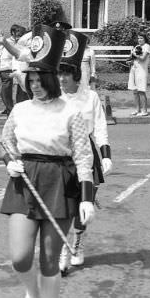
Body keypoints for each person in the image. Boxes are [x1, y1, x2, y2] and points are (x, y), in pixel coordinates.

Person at [0, 24, 95, 298]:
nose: (35, 85)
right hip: (24, 180)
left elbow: (83, 156)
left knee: (50, 259)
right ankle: (32, 294)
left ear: (52, 79)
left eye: (41, 80)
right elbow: (6, 143)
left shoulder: (71, 111)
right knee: (20, 257)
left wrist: (85, 197)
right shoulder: (20, 109)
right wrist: (10, 163)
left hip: (59, 183)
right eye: (31, 79)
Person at [56, 30, 112, 274]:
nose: (61, 79)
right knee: (61, 206)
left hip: (87, 153)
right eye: (59, 73)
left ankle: (77, 242)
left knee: (83, 205)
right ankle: (63, 249)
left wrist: (106, 154)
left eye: (66, 74)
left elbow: (99, 126)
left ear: (76, 75)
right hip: (61, 153)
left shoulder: (90, 97)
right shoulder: (53, 97)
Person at [128, 34, 150, 117]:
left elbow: (143, 58)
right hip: (134, 70)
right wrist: (130, 61)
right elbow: (133, 59)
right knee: (135, 91)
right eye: (138, 38)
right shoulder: (137, 46)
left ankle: (144, 111)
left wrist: (134, 55)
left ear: (145, 39)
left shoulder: (147, 46)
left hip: (142, 71)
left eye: (141, 38)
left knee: (141, 91)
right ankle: (137, 110)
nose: (139, 40)